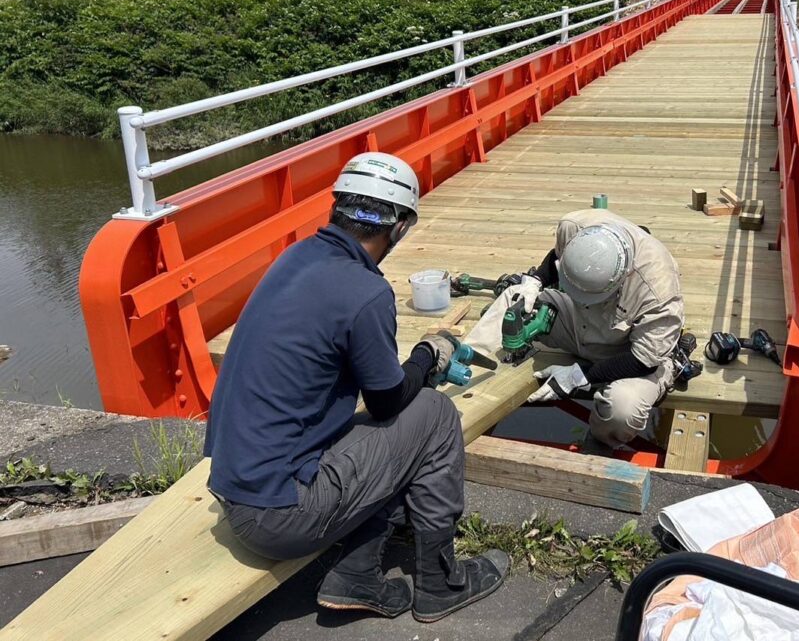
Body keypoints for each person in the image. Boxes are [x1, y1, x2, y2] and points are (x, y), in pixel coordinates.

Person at [203, 152, 508, 624]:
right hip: (279, 517)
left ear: (338, 207)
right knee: (433, 415)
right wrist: (428, 355)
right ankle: (439, 583)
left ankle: (356, 577)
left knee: (382, 434)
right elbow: (388, 399)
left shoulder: (296, 257)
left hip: (235, 483)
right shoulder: (365, 291)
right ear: (400, 227)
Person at [522, 208, 687, 447]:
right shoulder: (575, 227)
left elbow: (642, 360)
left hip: (629, 351)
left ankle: (601, 441)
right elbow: (557, 256)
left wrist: (577, 377)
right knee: (514, 303)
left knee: (622, 411)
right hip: (582, 323)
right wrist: (535, 280)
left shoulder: (659, 292)